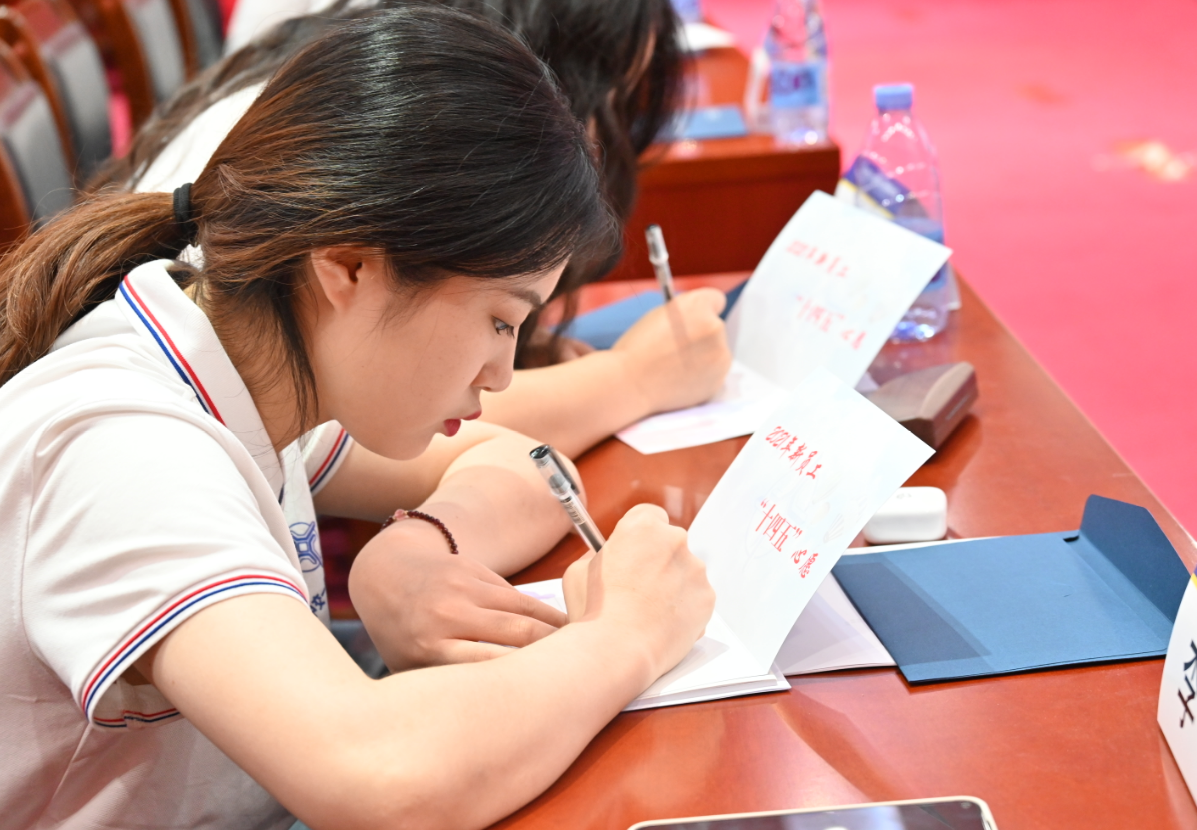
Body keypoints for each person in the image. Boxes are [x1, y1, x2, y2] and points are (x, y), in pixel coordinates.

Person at [0, 9, 714, 827]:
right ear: (348, 265)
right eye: (499, 319)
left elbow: (522, 461)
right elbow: (377, 775)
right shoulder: (126, 450)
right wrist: (627, 637)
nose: (502, 371)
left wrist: (418, 549)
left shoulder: (257, 363)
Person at [100, 0, 732, 461]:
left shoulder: (366, 93)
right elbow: (393, 406)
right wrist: (634, 379)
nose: (599, 138)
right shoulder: (170, 440)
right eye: (606, 100)